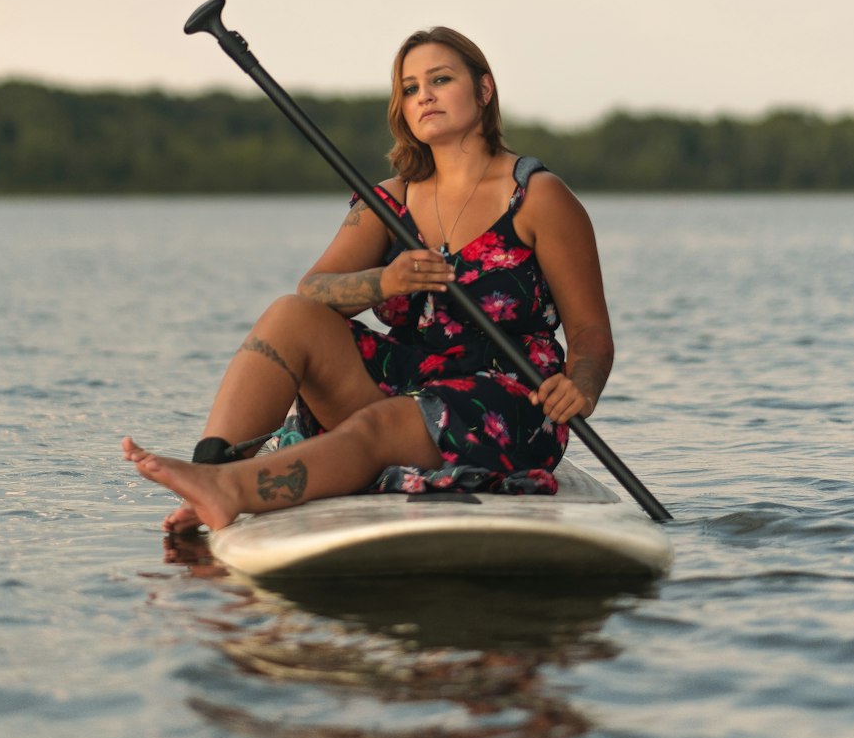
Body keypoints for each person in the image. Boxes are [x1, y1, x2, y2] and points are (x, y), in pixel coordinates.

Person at [123, 27, 614, 532]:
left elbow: (590, 333)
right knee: (290, 316)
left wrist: (581, 386)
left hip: (504, 400)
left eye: (440, 79)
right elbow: (312, 290)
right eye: (409, 87)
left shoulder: (538, 196)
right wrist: (385, 282)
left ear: (484, 90)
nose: (424, 95)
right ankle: (210, 474)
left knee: (381, 422)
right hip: (406, 378)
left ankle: (234, 490)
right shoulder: (387, 201)